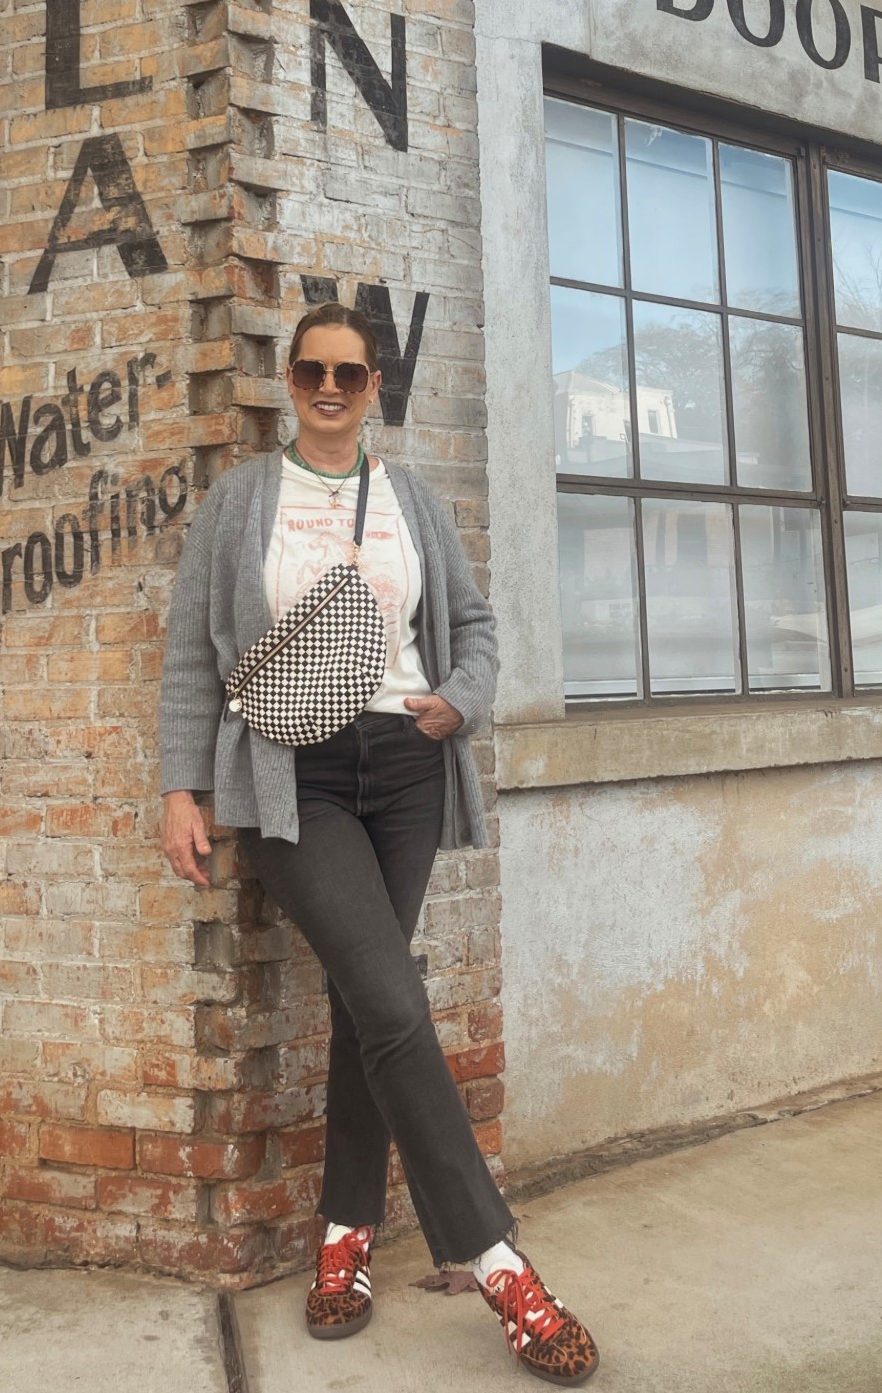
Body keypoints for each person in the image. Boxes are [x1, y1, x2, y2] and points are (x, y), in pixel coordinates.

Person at [159, 303, 599, 1385]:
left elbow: (478, 625)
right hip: (289, 779)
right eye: (310, 368)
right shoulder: (239, 503)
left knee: (373, 1011)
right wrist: (182, 785)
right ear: (287, 379)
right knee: (394, 1002)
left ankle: (345, 1237)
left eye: (349, 373)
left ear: (374, 385)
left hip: (404, 768)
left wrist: (458, 701)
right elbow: (185, 656)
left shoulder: (410, 500)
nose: (327, 386)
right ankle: (499, 1261)